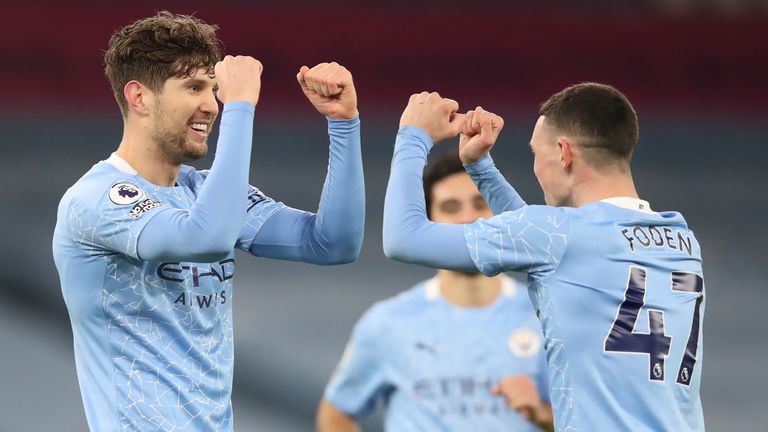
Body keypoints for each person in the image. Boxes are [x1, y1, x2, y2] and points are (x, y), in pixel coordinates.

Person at [51, 11, 364, 431]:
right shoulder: (96, 199)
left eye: (216, 90)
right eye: (194, 87)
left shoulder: (203, 192)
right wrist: (241, 107)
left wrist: (343, 124)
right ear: (139, 97)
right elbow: (206, 237)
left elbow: (333, 243)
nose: (211, 106)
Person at [383, 85, 705, 431]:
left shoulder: (562, 234)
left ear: (564, 152)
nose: (536, 167)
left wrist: (412, 136)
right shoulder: (680, 238)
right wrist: (480, 169)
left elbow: (403, 238)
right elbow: (548, 249)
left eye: (536, 153)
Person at [317, 150, 553, 432]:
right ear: (428, 223)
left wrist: (541, 414)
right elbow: (336, 413)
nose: (468, 218)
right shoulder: (388, 323)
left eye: (481, 203)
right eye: (451, 207)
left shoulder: (547, 316)